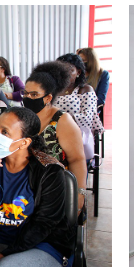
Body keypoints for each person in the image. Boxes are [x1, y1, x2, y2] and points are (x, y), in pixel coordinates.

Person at [0, 107, 75, 267]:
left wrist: (5, 255)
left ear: (24, 142)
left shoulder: (49, 172)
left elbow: (44, 224)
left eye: (5, 132)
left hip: (42, 246)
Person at [22, 61, 87, 211]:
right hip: (23, 185)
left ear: (48, 98)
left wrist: (79, 195)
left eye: (34, 94)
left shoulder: (62, 121)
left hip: (53, 189)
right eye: (25, 93)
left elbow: (77, 160)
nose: (28, 98)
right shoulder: (22, 117)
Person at [55, 53, 104, 137]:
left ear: (78, 72)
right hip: (54, 131)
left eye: (70, 70)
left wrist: (60, 120)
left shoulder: (85, 90)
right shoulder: (53, 91)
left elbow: (87, 117)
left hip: (77, 133)